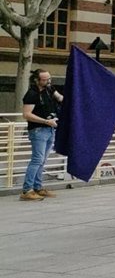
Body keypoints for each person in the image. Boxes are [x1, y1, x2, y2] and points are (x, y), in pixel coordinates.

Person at [21, 68, 63, 201]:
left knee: (42, 160)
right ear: (37, 80)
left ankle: (38, 187)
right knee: (37, 159)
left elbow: (61, 99)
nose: (48, 82)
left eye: (49, 79)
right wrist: (46, 121)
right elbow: (26, 114)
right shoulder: (32, 93)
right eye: (45, 80)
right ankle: (27, 190)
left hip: (50, 129)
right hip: (38, 129)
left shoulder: (50, 89)